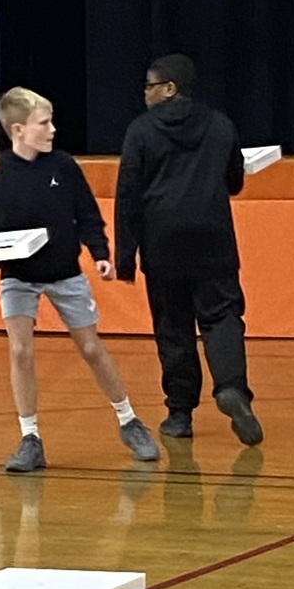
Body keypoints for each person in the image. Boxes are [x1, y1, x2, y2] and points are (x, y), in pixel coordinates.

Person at [0, 86, 160, 472]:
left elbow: (87, 215)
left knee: (92, 349)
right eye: (43, 123)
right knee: (19, 351)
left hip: (64, 273)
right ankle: (30, 438)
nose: (52, 129)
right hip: (20, 278)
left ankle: (129, 421)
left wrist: (99, 254)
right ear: (18, 130)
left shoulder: (63, 167)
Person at [115, 54, 263, 446]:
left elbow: (128, 192)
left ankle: (180, 414)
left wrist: (126, 255)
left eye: (150, 85)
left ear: (169, 88)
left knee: (173, 326)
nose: (145, 93)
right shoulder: (220, 124)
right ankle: (231, 388)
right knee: (223, 316)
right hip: (213, 238)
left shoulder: (140, 131)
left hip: (162, 242)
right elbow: (234, 180)